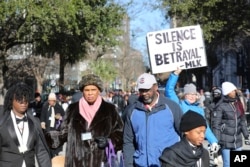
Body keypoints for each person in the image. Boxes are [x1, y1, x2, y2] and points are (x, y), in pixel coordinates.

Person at [45, 74, 124, 167]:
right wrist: (46, 136)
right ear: (82, 91)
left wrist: (110, 141)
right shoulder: (72, 109)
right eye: (87, 90)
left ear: (99, 90)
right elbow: (62, 133)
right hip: (76, 162)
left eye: (93, 90)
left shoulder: (110, 109)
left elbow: (120, 133)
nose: (90, 93)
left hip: (101, 161)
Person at [123, 73, 183, 167]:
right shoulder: (132, 111)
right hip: (141, 164)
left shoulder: (171, 107)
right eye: (141, 90)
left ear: (155, 87)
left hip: (169, 164)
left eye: (147, 90)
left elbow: (184, 134)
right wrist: (129, 164)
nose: (144, 94)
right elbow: (128, 141)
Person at [165, 67, 219, 153]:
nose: (192, 96)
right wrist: (175, 75)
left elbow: (205, 127)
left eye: (194, 94)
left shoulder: (199, 109)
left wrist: (213, 141)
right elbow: (169, 91)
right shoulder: (179, 104)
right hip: (182, 143)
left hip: (196, 145)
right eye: (189, 94)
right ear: (185, 95)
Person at [0, 82, 51, 167]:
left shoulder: (35, 122)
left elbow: (41, 152)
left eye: (26, 99)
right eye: (19, 99)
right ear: (11, 101)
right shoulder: (2, 123)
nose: (23, 102)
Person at [211, 81, 250, 167]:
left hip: (238, 139)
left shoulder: (238, 103)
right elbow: (216, 124)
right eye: (232, 91)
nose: (234, 92)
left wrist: (246, 135)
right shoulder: (221, 106)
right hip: (225, 140)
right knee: (227, 163)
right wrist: (215, 141)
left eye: (234, 90)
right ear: (227, 92)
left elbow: (242, 120)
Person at [40, 92, 65, 157]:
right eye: (49, 101)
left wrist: (60, 117)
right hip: (48, 127)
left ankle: (55, 153)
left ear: (54, 101)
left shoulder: (59, 107)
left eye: (51, 101)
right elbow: (42, 115)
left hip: (56, 127)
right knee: (48, 140)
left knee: (55, 141)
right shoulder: (45, 106)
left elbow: (64, 116)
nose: (50, 102)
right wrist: (42, 122)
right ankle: (50, 153)